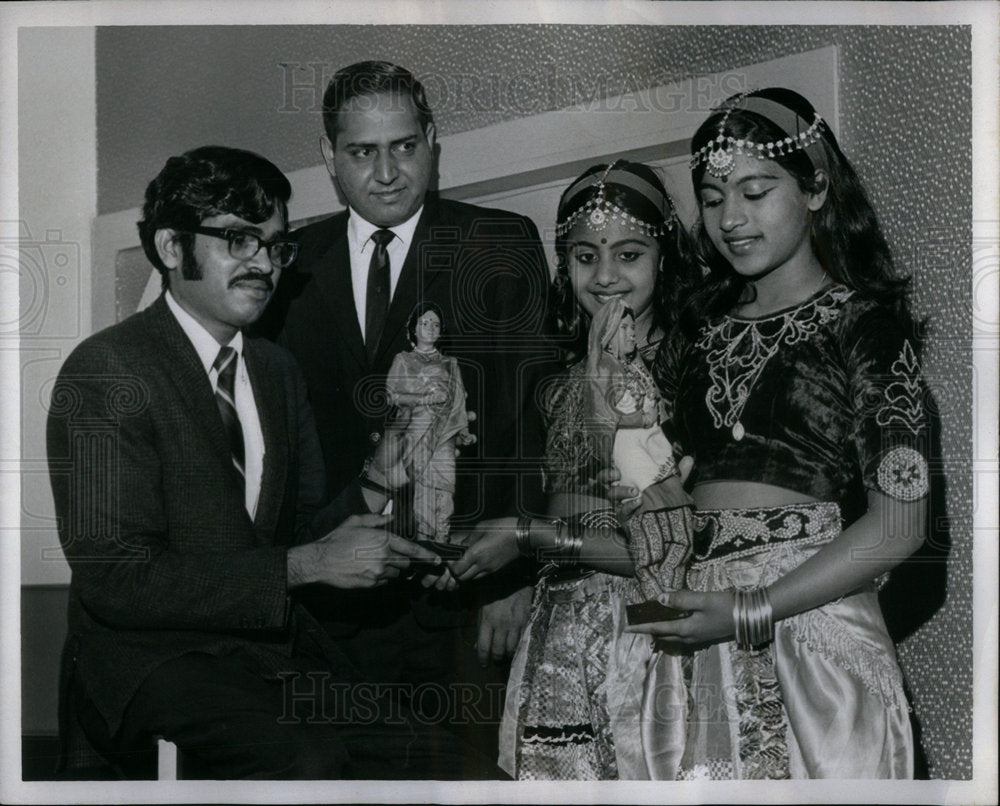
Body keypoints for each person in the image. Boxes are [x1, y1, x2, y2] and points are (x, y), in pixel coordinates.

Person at [46, 146, 456, 780]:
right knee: (307, 761)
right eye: (240, 240)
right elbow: (117, 579)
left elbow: (296, 537)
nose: (264, 264)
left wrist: (380, 477)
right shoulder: (107, 370)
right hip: (150, 661)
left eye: (275, 245)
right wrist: (307, 563)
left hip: (268, 654)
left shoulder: (275, 371)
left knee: (433, 756)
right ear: (171, 247)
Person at [254, 60, 551, 766]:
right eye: (362, 151)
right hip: (330, 607)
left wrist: (513, 580)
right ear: (330, 156)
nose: (386, 172)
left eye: (404, 146)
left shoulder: (498, 244)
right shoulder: (288, 266)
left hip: (462, 598)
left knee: (465, 780)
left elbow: (525, 418)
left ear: (432, 141)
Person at [628, 88, 929, 779]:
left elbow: (901, 525)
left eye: (755, 191)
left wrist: (749, 610)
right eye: (711, 197)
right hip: (695, 648)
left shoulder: (865, 327)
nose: (730, 218)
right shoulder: (696, 334)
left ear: (817, 186)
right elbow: (654, 496)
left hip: (811, 643)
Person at [449, 160, 697, 779]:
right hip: (555, 632)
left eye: (629, 255)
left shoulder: (693, 370)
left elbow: (673, 547)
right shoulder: (556, 380)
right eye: (586, 257)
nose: (606, 276)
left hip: (649, 625)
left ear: (664, 257)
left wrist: (529, 541)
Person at [386, 301, 473, 542]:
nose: (431, 328)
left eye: (436, 324)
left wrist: (463, 429)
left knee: (445, 487)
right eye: (425, 323)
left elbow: (458, 400)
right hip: (416, 431)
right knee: (423, 488)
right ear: (414, 328)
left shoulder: (450, 363)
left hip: (444, 433)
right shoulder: (403, 360)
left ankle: (442, 537)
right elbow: (392, 395)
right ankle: (425, 539)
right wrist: (424, 398)